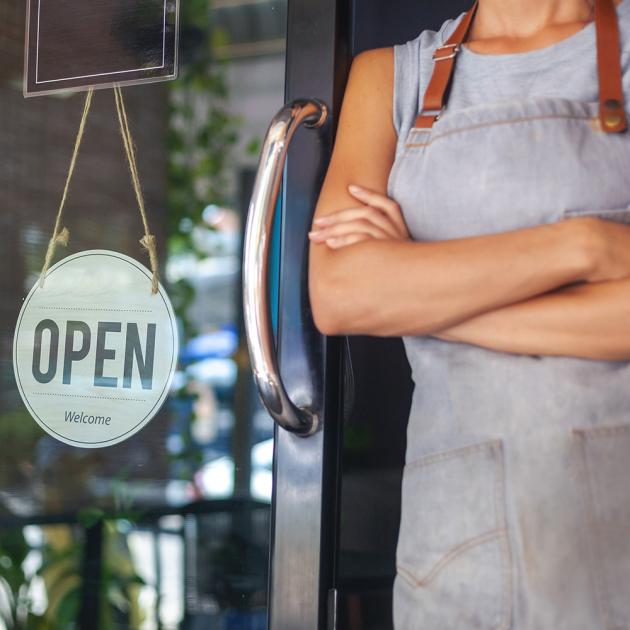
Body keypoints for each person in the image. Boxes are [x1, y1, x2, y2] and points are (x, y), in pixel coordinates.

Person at [308, 0, 630, 628]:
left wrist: (413, 294)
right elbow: (341, 293)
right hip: (456, 552)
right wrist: (583, 246)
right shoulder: (388, 79)